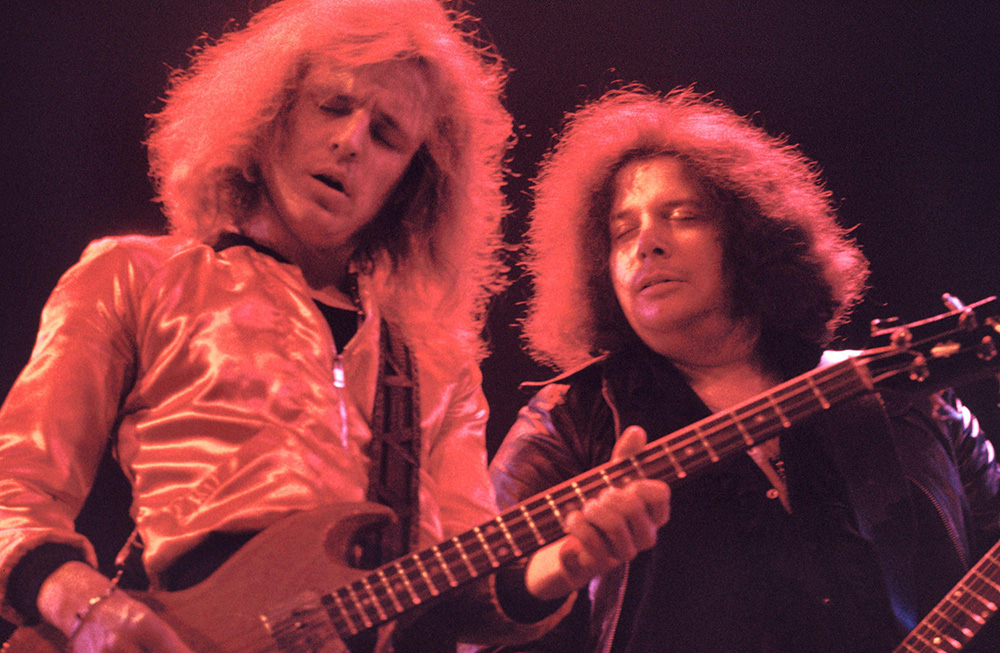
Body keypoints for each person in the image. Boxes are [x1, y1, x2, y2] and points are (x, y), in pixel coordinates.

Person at [0, 2, 668, 651]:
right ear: (271, 114)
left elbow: (467, 593)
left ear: (410, 182)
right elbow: (14, 489)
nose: (350, 142)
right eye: (331, 105)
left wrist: (568, 560)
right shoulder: (138, 276)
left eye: (386, 135)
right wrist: (83, 604)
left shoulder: (435, 361)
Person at [488, 87, 1000, 651]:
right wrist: (565, 561)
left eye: (681, 216)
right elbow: (471, 607)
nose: (646, 245)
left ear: (751, 237)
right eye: (622, 231)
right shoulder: (573, 418)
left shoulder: (901, 394)